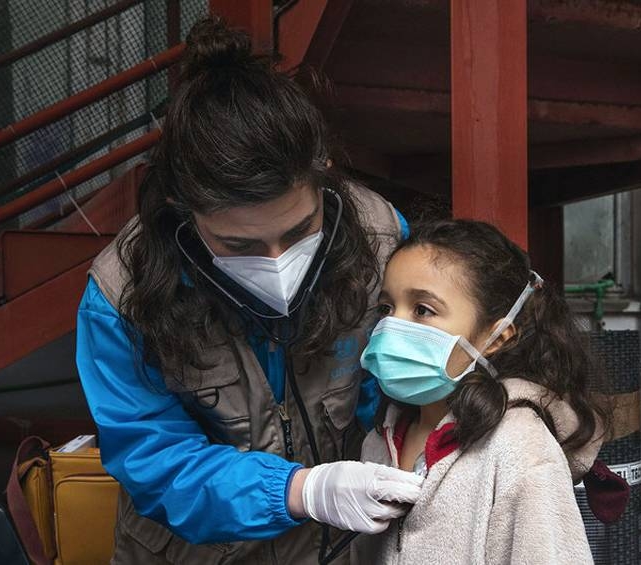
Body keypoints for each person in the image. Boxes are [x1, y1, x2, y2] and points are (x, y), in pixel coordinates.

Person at [75, 15, 422, 565]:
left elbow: (399, 392)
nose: (277, 262)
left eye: (298, 231)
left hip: (342, 550)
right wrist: (301, 490)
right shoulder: (122, 294)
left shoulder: (380, 238)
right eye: (238, 245)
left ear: (323, 173)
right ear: (184, 211)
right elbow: (154, 458)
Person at [357, 219, 618, 563]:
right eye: (386, 308)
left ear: (497, 337)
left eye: (423, 310)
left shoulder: (518, 443)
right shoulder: (378, 440)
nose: (392, 327)